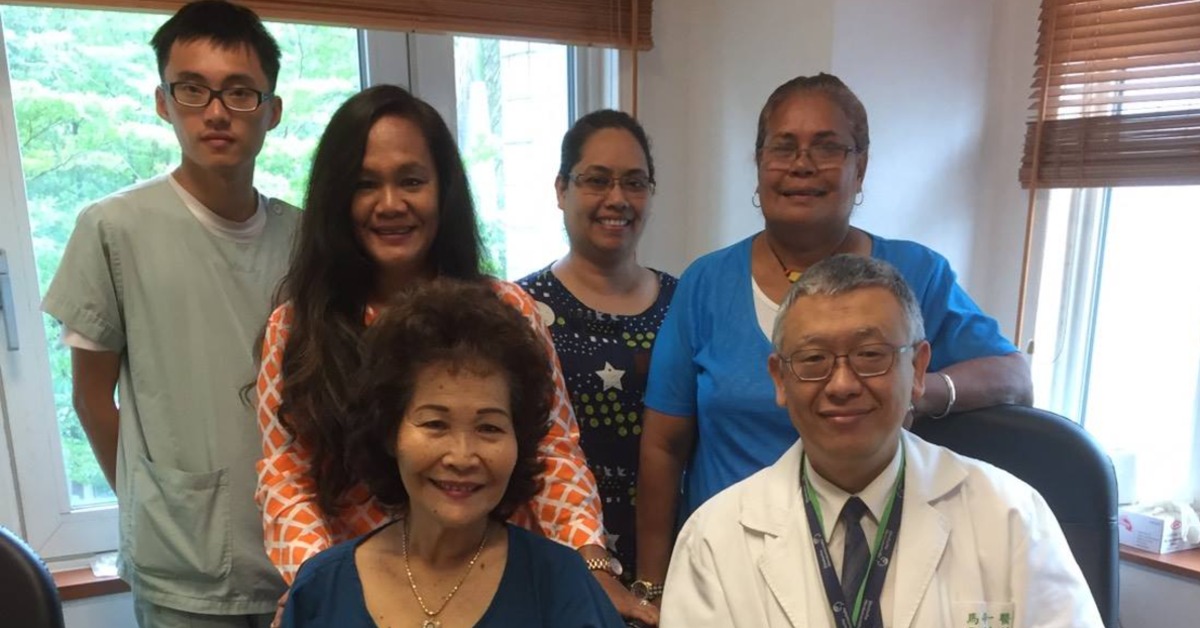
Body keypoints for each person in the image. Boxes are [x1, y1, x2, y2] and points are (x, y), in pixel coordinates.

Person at [255, 85, 647, 621]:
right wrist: (328, 584)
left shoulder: (508, 309)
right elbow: (285, 477)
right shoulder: (296, 328)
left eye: (412, 181)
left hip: (501, 585)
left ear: (444, 190)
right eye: (366, 184)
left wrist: (589, 562)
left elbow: (553, 449)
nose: (390, 203)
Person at [636, 73, 1034, 592]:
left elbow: (1015, 377)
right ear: (758, 164)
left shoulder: (917, 274)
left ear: (859, 167)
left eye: (827, 148)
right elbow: (663, 447)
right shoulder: (705, 284)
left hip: (883, 563)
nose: (802, 164)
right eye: (783, 147)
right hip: (732, 566)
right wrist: (652, 587)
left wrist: (922, 388)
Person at [659, 254, 1101, 627]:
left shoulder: (1010, 516)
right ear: (780, 379)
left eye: (871, 355)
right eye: (813, 359)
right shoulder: (714, 539)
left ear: (919, 369)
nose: (842, 384)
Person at [40, 1, 292, 625]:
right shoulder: (114, 228)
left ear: (272, 110)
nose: (216, 112)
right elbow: (91, 398)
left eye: (240, 92)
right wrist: (154, 506)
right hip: (179, 565)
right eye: (192, 89)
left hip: (298, 549)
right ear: (163, 101)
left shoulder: (304, 236)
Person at [280, 279, 624, 627]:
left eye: (489, 428)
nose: (461, 457)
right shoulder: (321, 589)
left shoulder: (562, 585)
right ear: (389, 431)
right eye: (435, 424)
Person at [517, 109, 676, 601]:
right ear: (561, 189)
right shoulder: (519, 309)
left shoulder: (686, 303)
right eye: (597, 180)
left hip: (672, 555)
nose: (617, 198)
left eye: (635, 182)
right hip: (550, 560)